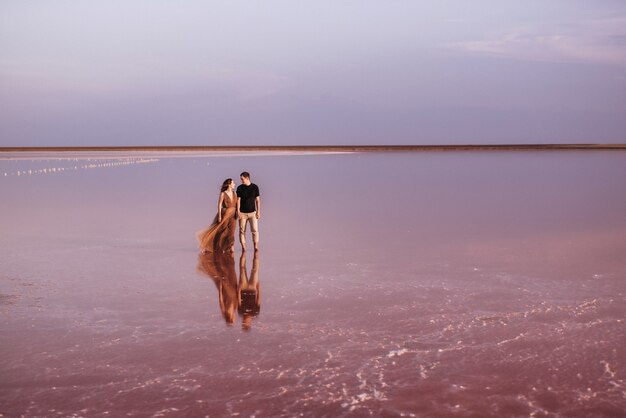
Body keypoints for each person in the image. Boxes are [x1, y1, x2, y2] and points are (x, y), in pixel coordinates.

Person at [196, 178, 237, 253]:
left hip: (233, 215)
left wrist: (238, 213)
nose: (234, 184)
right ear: (229, 184)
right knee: (222, 230)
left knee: (232, 231)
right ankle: (218, 246)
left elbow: (237, 204)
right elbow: (220, 205)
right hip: (225, 214)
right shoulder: (223, 194)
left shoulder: (235, 193)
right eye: (233, 183)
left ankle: (230, 246)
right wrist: (220, 216)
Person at [236, 172, 260, 252]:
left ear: (247, 178)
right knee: (242, 231)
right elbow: (238, 200)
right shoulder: (239, 188)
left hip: (253, 213)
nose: (241, 180)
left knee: (255, 230)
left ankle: (256, 247)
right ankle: (244, 248)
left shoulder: (255, 187)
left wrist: (258, 211)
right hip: (242, 213)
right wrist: (238, 211)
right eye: (241, 179)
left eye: (242, 179)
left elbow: (258, 200)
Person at [238, 251, 260, 331]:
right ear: (249, 323)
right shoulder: (255, 312)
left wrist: (239, 289)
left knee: (242, 269)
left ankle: (243, 254)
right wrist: (258, 288)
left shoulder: (241, 312)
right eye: (245, 323)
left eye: (243, 323)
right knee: (255, 270)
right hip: (253, 289)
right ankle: (256, 255)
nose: (244, 321)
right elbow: (258, 300)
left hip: (243, 288)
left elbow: (239, 300)